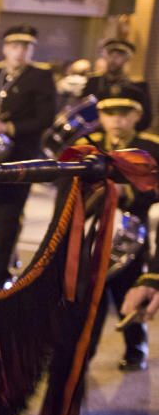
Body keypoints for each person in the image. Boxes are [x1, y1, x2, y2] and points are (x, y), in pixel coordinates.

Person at [0, 25, 56, 291]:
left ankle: (0, 275)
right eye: (15, 46)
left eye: (26, 47)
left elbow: (45, 118)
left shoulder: (40, 76)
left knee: (9, 214)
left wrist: (9, 128)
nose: (20, 52)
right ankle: (8, 256)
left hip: (21, 156)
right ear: (5, 48)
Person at [78, 89, 159, 372]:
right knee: (91, 297)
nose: (117, 121)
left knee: (131, 291)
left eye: (124, 114)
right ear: (100, 116)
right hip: (95, 232)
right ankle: (85, 351)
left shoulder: (150, 147)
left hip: (132, 234)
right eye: (110, 114)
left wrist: (132, 193)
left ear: (137, 116)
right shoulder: (88, 146)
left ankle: (136, 346)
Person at [82, 39, 152, 132]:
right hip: (95, 134)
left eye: (119, 55)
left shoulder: (138, 86)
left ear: (127, 58)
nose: (114, 59)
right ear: (105, 57)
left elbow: (145, 118)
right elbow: (82, 112)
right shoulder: (93, 82)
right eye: (111, 54)